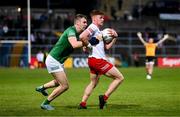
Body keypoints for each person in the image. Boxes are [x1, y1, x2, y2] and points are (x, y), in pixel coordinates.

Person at [35, 14, 88, 110]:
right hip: (54, 60)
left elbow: (81, 41)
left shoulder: (79, 33)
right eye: (84, 22)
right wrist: (88, 43)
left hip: (58, 61)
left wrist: (85, 45)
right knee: (64, 86)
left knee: (57, 82)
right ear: (77, 23)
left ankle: (42, 88)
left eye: (86, 22)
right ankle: (45, 103)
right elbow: (75, 44)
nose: (86, 24)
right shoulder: (71, 31)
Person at [78, 10, 124, 109]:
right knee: (120, 78)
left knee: (93, 83)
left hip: (92, 60)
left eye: (103, 18)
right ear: (94, 19)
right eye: (100, 17)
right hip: (98, 60)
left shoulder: (99, 31)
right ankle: (104, 98)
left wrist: (115, 37)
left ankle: (82, 103)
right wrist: (88, 44)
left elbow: (106, 48)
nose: (103, 19)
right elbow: (82, 36)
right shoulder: (93, 27)